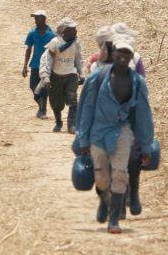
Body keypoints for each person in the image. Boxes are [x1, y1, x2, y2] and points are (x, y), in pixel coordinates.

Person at [77, 35, 154, 234]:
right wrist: (82, 138)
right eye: (120, 52)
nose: (123, 56)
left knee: (120, 173)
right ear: (114, 53)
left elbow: (144, 116)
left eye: (127, 53)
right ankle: (104, 199)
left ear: (131, 57)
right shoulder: (97, 77)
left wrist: (145, 146)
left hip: (122, 131)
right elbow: (86, 108)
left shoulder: (137, 82)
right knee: (101, 178)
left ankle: (114, 220)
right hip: (98, 132)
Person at [39, 17, 83, 133]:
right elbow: (46, 60)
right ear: (64, 31)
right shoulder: (55, 43)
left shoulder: (76, 42)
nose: (75, 31)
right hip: (56, 76)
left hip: (71, 75)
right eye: (72, 29)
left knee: (72, 98)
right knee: (56, 102)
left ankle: (71, 125)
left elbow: (78, 59)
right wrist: (46, 76)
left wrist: (81, 73)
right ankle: (58, 122)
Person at [22, 10, 56, 119]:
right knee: (33, 86)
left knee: (44, 88)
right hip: (35, 65)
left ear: (44, 19)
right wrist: (25, 66)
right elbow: (29, 49)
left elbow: (56, 51)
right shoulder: (32, 33)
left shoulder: (52, 35)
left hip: (47, 66)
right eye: (35, 18)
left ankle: (42, 110)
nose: (35, 20)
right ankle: (41, 106)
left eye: (38, 18)